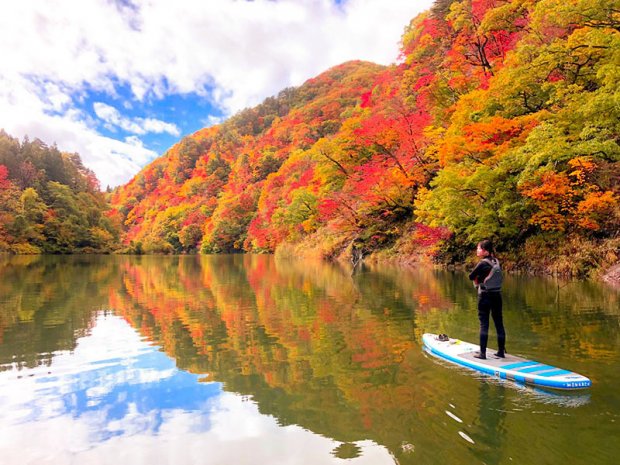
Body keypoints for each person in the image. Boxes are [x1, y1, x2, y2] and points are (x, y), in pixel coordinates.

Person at [468, 239, 505, 359]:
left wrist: (478, 277)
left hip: (485, 296)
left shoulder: (483, 263)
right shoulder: (496, 261)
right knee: (499, 323)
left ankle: (482, 353)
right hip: (497, 295)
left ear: (484, 251)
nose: (477, 250)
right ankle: (501, 352)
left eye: (478, 248)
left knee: (484, 324)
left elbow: (471, 276)